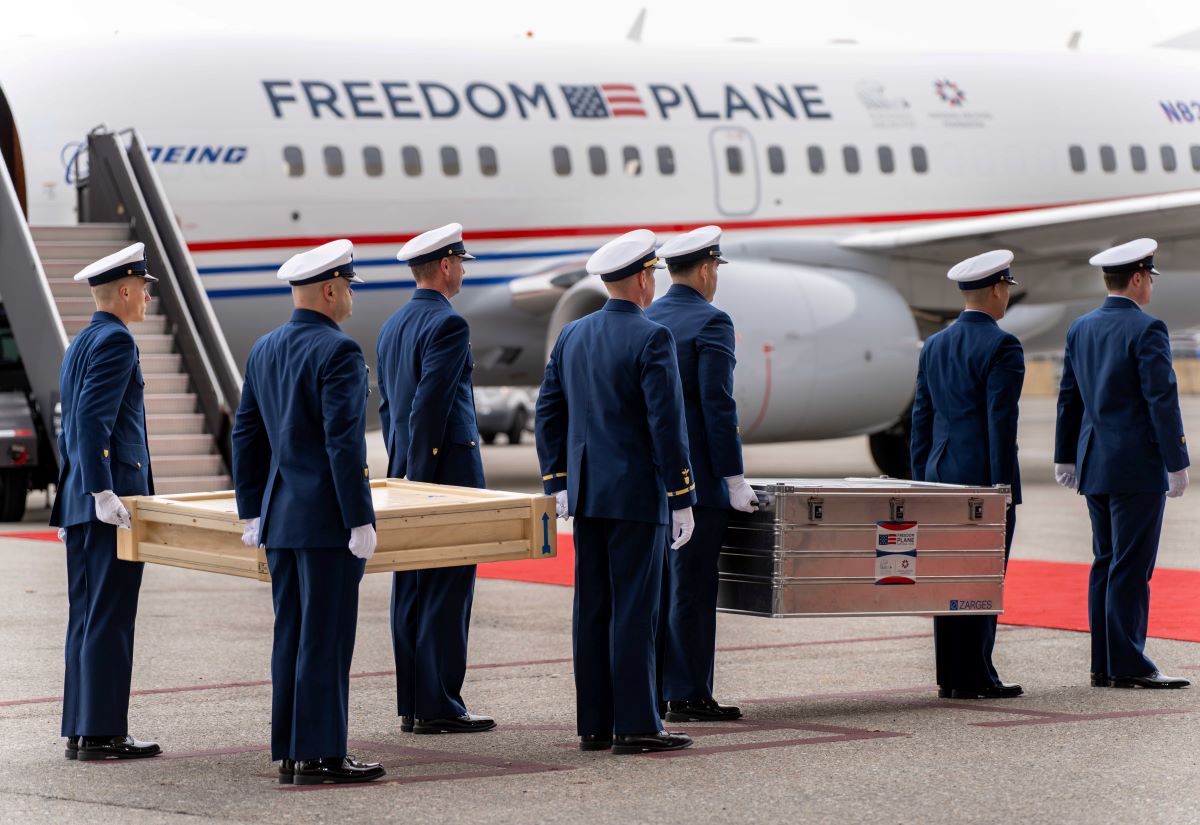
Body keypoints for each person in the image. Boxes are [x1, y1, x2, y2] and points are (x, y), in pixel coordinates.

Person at [536, 228, 697, 755]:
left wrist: (557, 480)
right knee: (635, 610)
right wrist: (681, 496)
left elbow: (548, 411)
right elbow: (665, 426)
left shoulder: (573, 334)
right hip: (635, 496)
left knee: (593, 609)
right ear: (644, 279)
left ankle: (595, 724)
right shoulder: (652, 337)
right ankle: (636, 724)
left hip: (588, 495)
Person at [233, 239, 386, 785]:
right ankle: (322, 754)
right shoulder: (339, 351)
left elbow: (246, 434)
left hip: (281, 519)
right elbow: (343, 445)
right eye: (347, 286)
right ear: (328, 289)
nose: (350, 297)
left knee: (292, 635)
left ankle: (294, 751)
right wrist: (359, 517)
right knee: (326, 637)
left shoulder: (265, 348)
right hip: (326, 522)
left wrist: (252, 507)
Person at [1054, 238, 1190, 690]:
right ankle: (1129, 663)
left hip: (1095, 463)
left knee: (1106, 562)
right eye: (1149, 276)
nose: (1150, 283)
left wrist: (1065, 455)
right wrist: (1177, 460)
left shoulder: (1081, 328)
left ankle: (1105, 662)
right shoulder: (1148, 329)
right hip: (1135, 466)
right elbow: (1160, 400)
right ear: (1136, 278)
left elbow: (1069, 398)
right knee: (1131, 567)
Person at [377, 223, 495, 735]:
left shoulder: (392, 325)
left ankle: (414, 702)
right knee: (447, 592)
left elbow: (389, 408)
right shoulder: (449, 326)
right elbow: (431, 406)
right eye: (461, 263)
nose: (463, 271)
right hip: (444, 477)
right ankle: (440, 704)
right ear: (445, 267)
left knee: (412, 589)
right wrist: (426, 484)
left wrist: (402, 469)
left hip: (408, 469)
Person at [51, 242, 162, 761]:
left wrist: (76, 487)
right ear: (123, 290)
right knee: (109, 617)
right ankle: (100, 733)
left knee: (88, 616)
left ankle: (84, 729)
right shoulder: (116, 342)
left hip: (86, 501)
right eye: (142, 288)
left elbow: (68, 425)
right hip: (107, 503)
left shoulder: (82, 342)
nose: (146, 297)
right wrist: (100, 490)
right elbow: (92, 423)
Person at [646, 225, 758, 723]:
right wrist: (733, 477)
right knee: (693, 588)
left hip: (652, 477)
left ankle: (659, 688)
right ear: (708, 269)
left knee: (661, 587)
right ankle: (690, 693)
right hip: (699, 479)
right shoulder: (711, 322)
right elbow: (718, 406)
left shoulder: (647, 319)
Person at [910, 249, 1024, 699]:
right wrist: (1003, 489)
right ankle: (976, 674)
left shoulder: (935, 343)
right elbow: (1001, 424)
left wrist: (920, 476)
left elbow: (922, 416)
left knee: (947, 577)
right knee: (981, 576)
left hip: (939, 474)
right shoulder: (1002, 345)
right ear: (997, 290)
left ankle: (952, 674)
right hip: (981, 478)